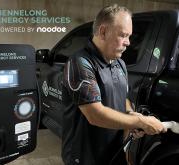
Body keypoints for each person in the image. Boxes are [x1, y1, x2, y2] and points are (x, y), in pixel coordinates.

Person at [61, 4, 167, 165]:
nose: (128, 43)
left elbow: (122, 98)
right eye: (123, 35)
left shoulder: (120, 64)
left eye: (129, 36)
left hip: (114, 153)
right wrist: (140, 122)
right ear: (103, 32)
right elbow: (95, 114)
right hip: (85, 158)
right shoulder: (80, 63)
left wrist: (131, 115)